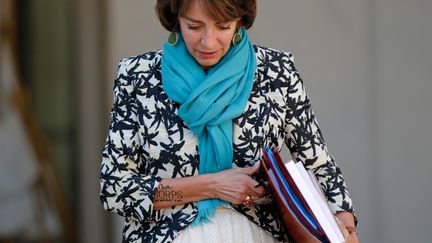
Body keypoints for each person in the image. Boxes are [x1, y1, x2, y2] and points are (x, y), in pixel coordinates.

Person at [99, 0, 358, 242]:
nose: (208, 41)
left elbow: (318, 163)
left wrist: (344, 220)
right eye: (194, 26)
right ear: (175, 18)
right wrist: (212, 186)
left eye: (222, 26)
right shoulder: (138, 77)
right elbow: (115, 187)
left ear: (239, 21)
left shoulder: (277, 72)